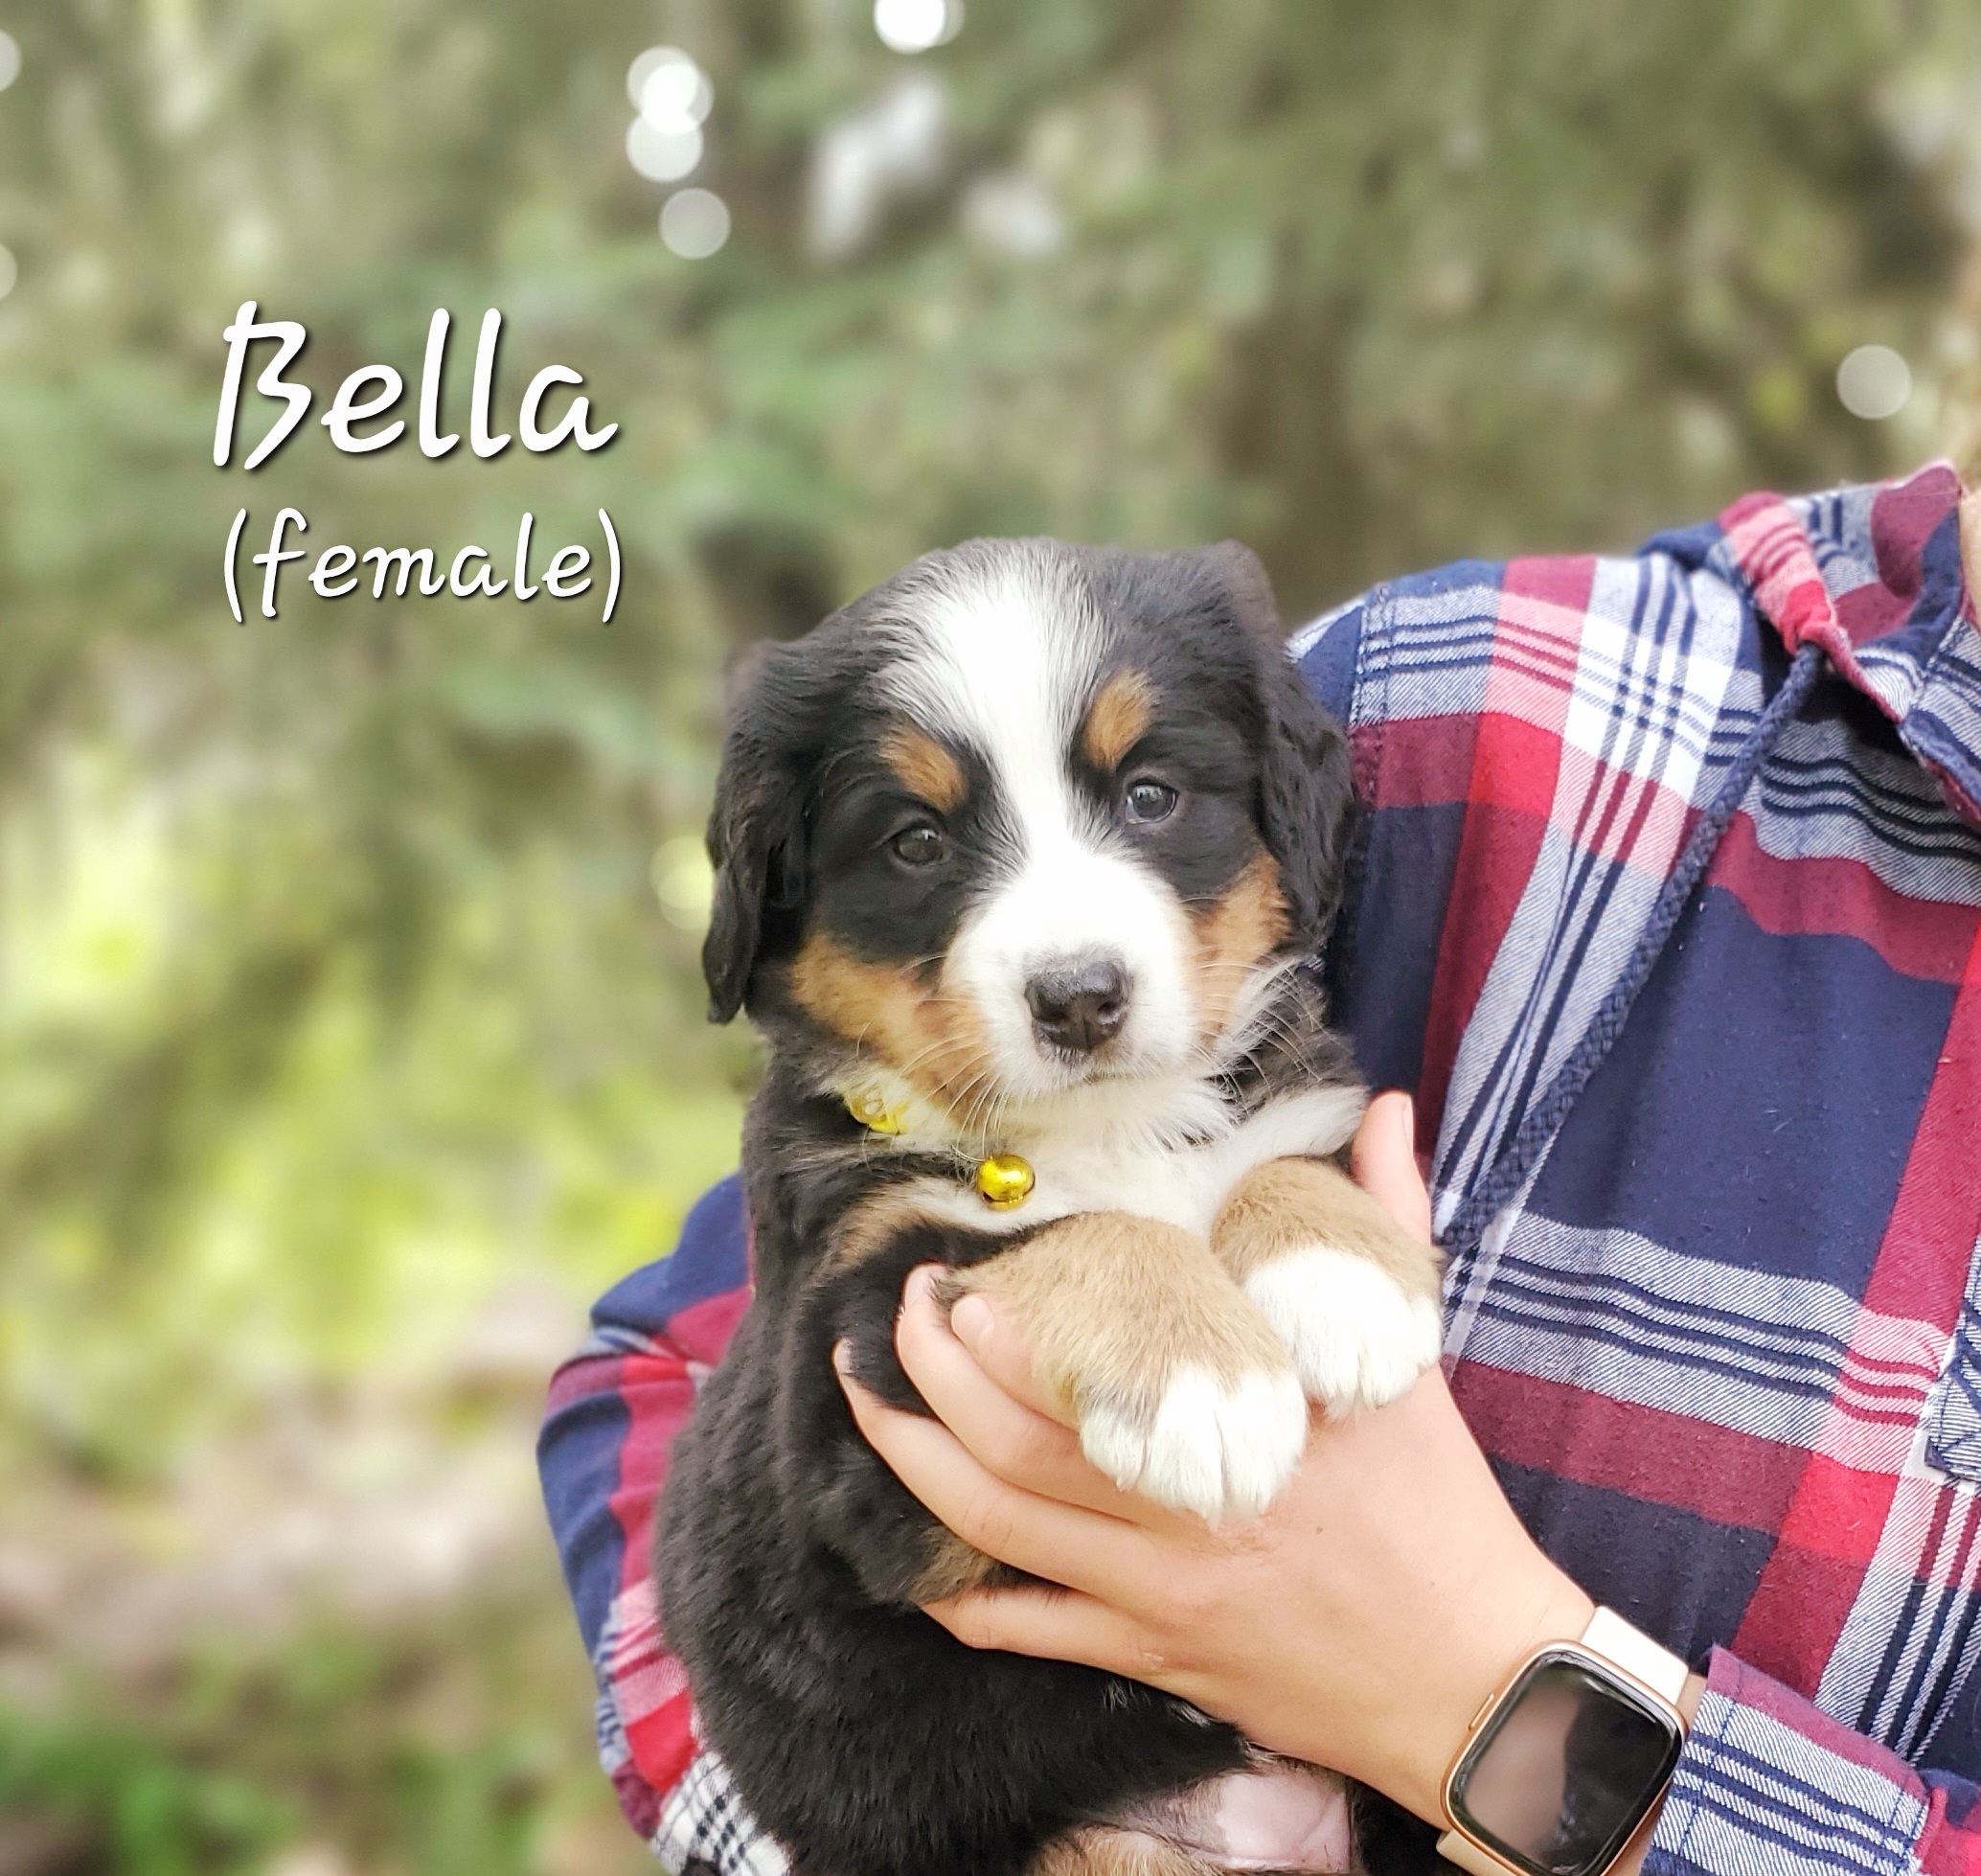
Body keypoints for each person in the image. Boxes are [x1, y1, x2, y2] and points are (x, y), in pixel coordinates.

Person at [538, 462, 1981, 1876]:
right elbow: (674, 1381)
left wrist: (1483, 1697)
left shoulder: (1260, 1059)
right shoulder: (1467, 698)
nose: (1070, 952)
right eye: (917, 838)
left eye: (1150, 796)